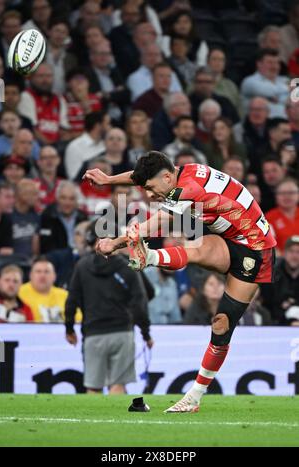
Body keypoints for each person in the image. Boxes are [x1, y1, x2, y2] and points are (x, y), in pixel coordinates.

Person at [84, 150, 276, 412]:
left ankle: (194, 396)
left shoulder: (186, 189)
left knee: (221, 326)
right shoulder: (176, 173)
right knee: (194, 246)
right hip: (227, 235)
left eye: (151, 189)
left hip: (255, 248)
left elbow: (158, 221)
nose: (149, 195)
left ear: (166, 177)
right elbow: (142, 177)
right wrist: (108, 180)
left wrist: (114, 243)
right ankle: (149, 257)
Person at [65, 222, 153, 394]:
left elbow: (71, 301)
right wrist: (146, 333)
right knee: (118, 384)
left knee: (93, 386)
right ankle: (117, 420)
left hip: (93, 333)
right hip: (122, 331)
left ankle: (94, 421)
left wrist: (69, 329)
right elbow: (141, 300)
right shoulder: (129, 266)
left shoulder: (82, 266)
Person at [18, 63, 70, 145]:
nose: (45, 80)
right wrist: (50, 146)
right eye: (40, 76)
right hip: (34, 144)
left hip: (57, 146)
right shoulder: (26, 96)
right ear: (31, 78)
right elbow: (32, 129)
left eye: (49, 76)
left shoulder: (59, 99)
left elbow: (63, 129)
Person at [18, 256, 81, 323]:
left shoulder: (65, 295)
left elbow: (78, 320)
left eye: (47, 272)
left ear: (54, 276)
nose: (42, 275)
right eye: (38, 271)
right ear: (30, 275)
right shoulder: (19, 293)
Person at [40, 180, 88, 254]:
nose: (67, 203)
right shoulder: (47, 216)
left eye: (71, 199)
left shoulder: (83, 217)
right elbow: (46, 246)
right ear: (57, 198)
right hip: (56, 259)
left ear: (76, 201)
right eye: (63, 198)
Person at [260, 235, 299, 325]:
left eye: (298, 252)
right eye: (291, 251)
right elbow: (267, 306)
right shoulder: (272, 274)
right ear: (284, 253)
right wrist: (288, 322)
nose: (294, 256)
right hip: (276, 326)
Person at [240, 49, 289, 118]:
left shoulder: (284, 80)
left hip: (288, 124)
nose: (274, 67)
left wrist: (279, 98)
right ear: (259, 64)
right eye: (270, 63)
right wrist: (288, 91)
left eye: (277, 63)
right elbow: (265, 90)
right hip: (260, 125)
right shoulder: (249, 81)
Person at [64, 111, 105, 181]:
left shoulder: (105, 145)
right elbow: (74, 178)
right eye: (108, 124)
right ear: (98, 126)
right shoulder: (75, 147)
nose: (110, 127)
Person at [65, 69, 103, 139]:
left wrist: (84, 103)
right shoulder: (63, 100)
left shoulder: (95, 100)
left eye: (82, 78)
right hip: (72, 140)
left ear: (88, 83)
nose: (79, 81)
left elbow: (96, 126)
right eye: (75, 78)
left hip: (91, 138)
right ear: (68, 83)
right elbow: (64, 134)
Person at [45, 17, 77, 95]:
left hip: (63, 100)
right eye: (57, 31)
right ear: (49, 32)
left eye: (63, 32)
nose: (60, 35)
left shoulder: (71, 59)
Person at [266, 178, 299, 254]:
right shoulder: (268, 218)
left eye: (291, 193)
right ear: (276, 196)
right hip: (280, 262)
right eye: (282, 193)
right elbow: (269, 246)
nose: (287, 196)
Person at [11, 179, 40, 259]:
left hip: (29, 261)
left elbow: (36, 246)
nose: (37, 197)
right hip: (10, 260)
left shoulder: (36, 217)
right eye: (33, 194)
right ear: (21, 194)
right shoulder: (8, 216)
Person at [207, 48, 242, 113]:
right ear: (208, 62)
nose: (218, 62)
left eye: (221, 60)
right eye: (214, 59)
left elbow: (238, 108)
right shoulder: (199, 82)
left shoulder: (231, 86)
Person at [34, 146, 62, 213]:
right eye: (45, 158)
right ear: (38, 162)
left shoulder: (64, 185)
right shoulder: (32, 185)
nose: (49, 161)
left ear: (58, 160)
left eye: (52, 157)